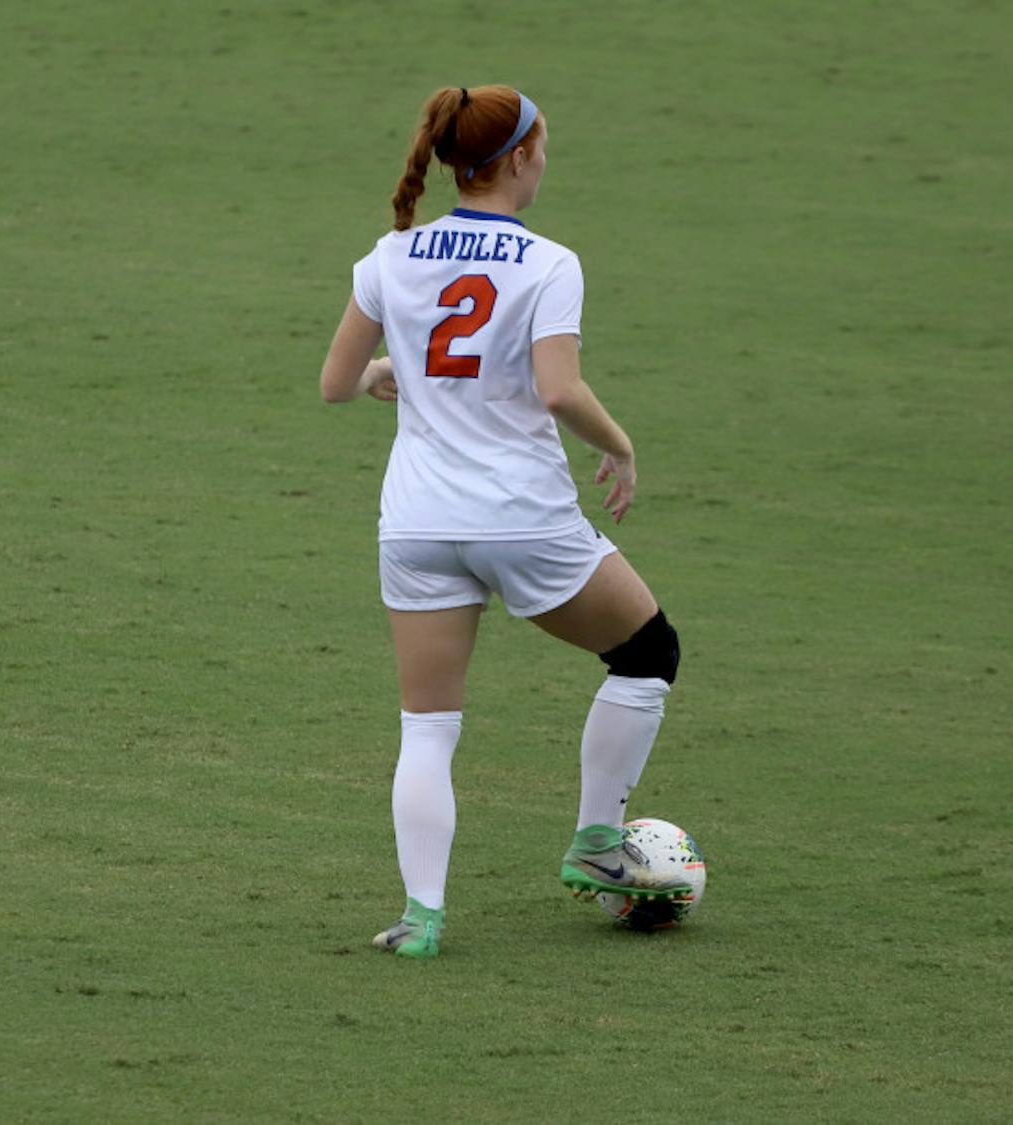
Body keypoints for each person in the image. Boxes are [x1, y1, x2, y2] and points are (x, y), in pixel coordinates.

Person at [319, 85, 687, 960]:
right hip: (521, 520)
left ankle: (422, 918)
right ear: (517, 159)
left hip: (415, 524)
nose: (546, 162)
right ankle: (599, 843)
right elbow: (559, 389)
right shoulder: (550, 262)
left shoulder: (392, 254)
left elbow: (336, 382)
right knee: (646, 651)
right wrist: (622, 445)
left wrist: (384, 372)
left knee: (428, 727)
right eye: (544, 148)